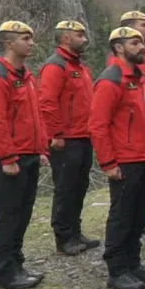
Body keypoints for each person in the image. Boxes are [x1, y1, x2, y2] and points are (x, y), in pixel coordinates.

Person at [0, 21, 49, 289]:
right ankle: (5, 273)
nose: (31, 43)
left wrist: (41, 149)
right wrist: (8, 159)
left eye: (31, 38)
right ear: (9, 44)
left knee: (23, 212)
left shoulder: (27, 76)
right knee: (8, 214)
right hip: (6, 158)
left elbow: (36, 116)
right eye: (25, 38)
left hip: (28, 154)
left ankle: (17, 263)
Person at [90, 27, 145, 289]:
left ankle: (133, 261)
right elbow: (98, 125)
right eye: (134, 42)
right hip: (125, 160)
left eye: (141, 42)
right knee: (122, 215)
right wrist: (108, 163)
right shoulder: (111, 80)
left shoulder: (140, 77)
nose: (142, 46)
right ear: (119, 48)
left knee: (139, 214)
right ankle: (117, 269)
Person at [39, 20, 98, 256]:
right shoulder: (55, 66)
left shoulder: (81, 67)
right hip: (66, 139)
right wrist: (55, 134)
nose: (85, 39)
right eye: (80, 35)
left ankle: (75, 231)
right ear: (65, 38)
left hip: (84, 137)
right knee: (65, 188)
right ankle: (63, 237)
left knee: (80, 186)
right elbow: (47, 102)